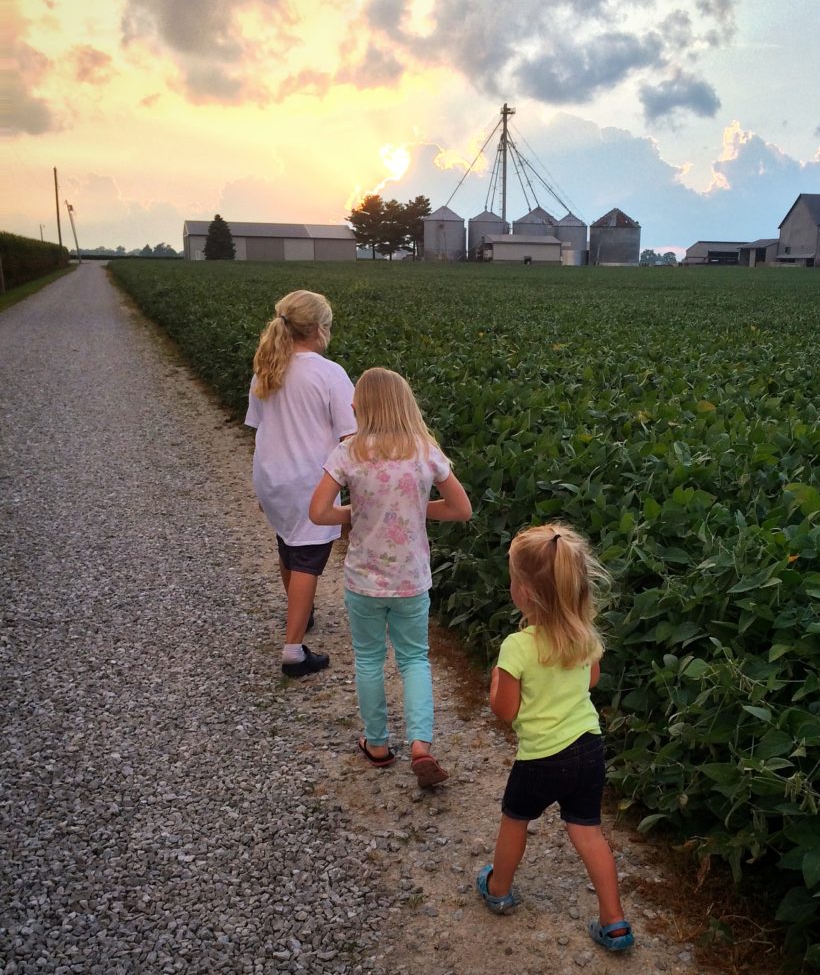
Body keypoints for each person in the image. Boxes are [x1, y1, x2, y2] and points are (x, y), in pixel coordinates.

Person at [308, 367, 471, 787]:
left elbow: (319, 513)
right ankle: (421, 745)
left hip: (363, 578)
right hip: (411, 579)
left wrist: (358, 512)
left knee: (369, 659)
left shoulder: (348, 452)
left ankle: (377, 744)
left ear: (361, 406)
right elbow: (460, 509)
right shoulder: (424, 450)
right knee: (414, 659)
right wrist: (417, 509)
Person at [477, 523, 634, 952]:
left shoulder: (518, 646)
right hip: (589, 748)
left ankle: (499, 887)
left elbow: (505, 710)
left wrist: (496, 679)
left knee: (515, 819)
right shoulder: (585, 633)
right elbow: (590, 682)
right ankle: (615, 921)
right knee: (588, 832)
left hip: (541, 759)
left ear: (525, 592)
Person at [245, 290, 356, 679]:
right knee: (309, 557)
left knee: (287, 543)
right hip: (309, 479)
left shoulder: (266, 366)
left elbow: (257, 424)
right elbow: (350, 438)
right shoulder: (330, 373)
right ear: (320, 329)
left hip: (270, 475)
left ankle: (301, 612)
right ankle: (293, 650)